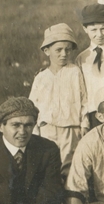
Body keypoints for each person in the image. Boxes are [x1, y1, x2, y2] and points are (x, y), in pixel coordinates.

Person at [28, 23, 88, 175]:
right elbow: (32, 106)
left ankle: (70, 196)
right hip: (47, 129)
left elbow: (84, 100)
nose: (64, 54)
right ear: (47, 51)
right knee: (48, 165)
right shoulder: (41, 77)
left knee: (69, 166)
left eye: (68, 50)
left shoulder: (74, 72)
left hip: (70, 128)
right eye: (58, 50)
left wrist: (84, 124)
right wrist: (35, 131)